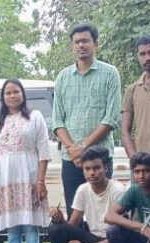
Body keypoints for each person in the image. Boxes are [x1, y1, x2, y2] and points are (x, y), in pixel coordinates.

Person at [51, 23, 122, 215]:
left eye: (85, 41)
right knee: (75, 212)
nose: (81, 45)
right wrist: (73, 150)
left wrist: (83, 147)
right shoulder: (63, 77)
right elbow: (57, 121)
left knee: (103, 213)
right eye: (77, 42)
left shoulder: (110, 73)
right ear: (72, 46)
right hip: (70, 160)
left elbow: (112, 118)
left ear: (95, 43)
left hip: (100, 158)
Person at [0, 79, 51, 243]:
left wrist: (40, 181)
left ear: (22, 94)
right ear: (3, 97)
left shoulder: (35, 116)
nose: (12, 96)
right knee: (12, 225)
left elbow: (43, 151)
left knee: (30, 225)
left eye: (16, 92)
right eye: (8, 93)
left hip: (28, 174)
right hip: (6, 177)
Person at [48, 146, 127, 243]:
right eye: (87, 169)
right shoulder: (83, 189)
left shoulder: (117, 190)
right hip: (94, 239)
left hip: (115, 242)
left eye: (97, 168)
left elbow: (122, 234)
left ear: (106, 168)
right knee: (57, 229)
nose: (92, 173)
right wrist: (60, 219)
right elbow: (71, 226)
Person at [121, 35, 150, 158]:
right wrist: (135, 159)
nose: (148, 58)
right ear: (138, 57)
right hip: (142, 163)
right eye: (143, 54)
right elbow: (125, 131)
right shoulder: (132, 90)